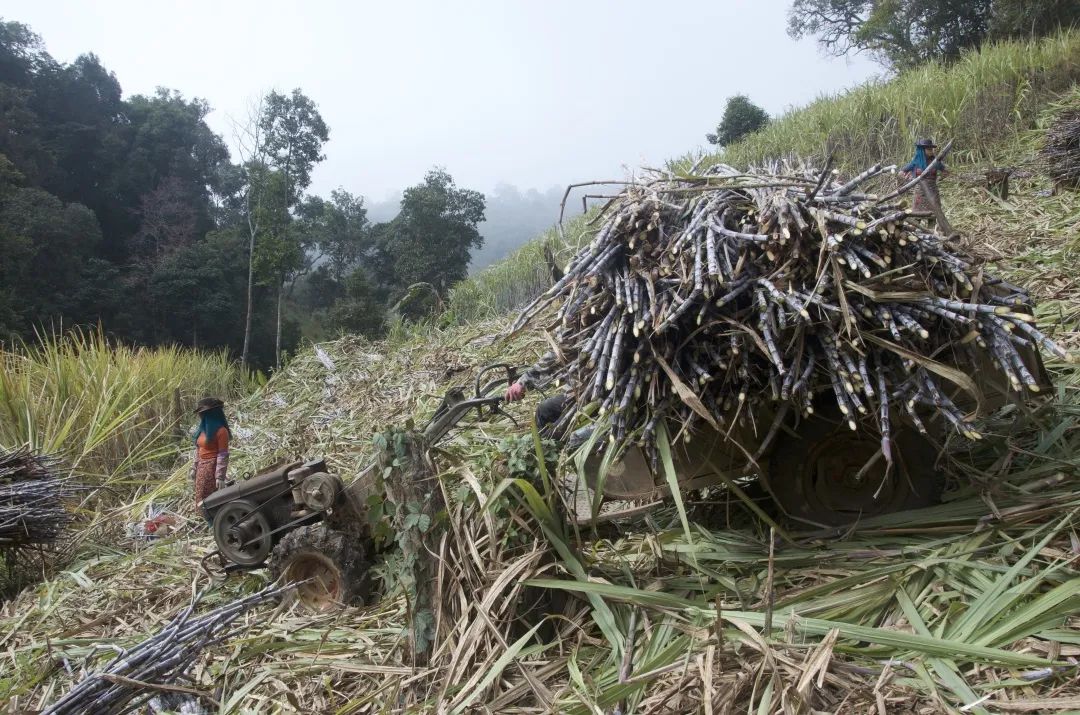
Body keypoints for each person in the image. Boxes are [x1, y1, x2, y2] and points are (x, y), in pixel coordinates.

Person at [504, 351, 568, 432]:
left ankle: (546, 440)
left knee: (544, 410)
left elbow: (557, 355)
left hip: (583, 396)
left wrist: (522, 382)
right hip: (581, 391)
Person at [190, 397, 231, 516]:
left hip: (211, 467)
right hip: (201, 469)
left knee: (207, 500)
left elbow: (223, 455)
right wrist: (194, 468)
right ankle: (213, 522)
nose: (201, 417)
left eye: (203, 414)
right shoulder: (202, 431)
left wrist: (220, 476)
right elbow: (199, 450)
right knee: (200, 498)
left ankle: (216, 523)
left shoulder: (221, 431)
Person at [901, 138, 951, 228]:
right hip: (920, 191)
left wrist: (940, 178)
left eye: (931, 149)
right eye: (928, 149)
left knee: (933, 214)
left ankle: (931, 232)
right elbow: (902, 172)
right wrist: (908, 178)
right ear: (921, 151)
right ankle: (914, 231)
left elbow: (946, 171)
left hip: (933, 191)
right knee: (917, 214)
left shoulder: (935, 162)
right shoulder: (915, 162)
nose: (931, 151)